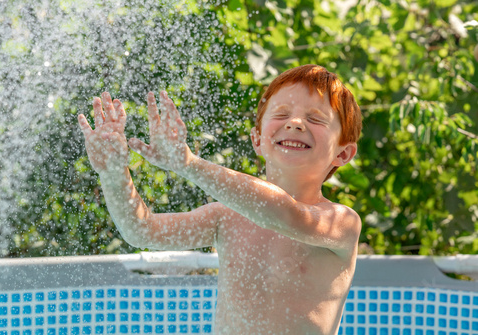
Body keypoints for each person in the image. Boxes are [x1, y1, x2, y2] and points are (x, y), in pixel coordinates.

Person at [78, 64, 362, 335]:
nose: (296, 123)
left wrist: (189, 164)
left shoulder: (341, 224)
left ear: (343, 154)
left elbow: (284, 214)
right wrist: (113, 173)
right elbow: (141, 230)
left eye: (315, 118)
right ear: (257, 140)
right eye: (282, 114)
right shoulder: (226, 217)